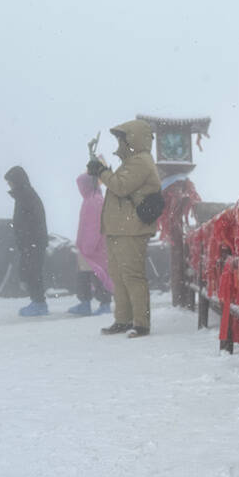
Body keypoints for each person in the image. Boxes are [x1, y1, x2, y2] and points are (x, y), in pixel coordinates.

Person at [87, 119, 160, 338]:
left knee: (132, 276)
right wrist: (103, 171)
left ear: (133, 139)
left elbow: (120, 186)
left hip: (132, 228)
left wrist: (101, 171)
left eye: (122, 138)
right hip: (120, 228)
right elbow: (120, 183)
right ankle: (123, 319)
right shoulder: (131, 162)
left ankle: (141, 323)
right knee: (119, 277)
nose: (119, 143)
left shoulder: (141, 161)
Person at [4, 165, 49, 317]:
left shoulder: (26, 195)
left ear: (17, 180)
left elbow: (31, 221)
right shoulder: (24, 194)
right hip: (31, 241)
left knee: (32, 272)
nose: (9, 185)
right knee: (30, 271)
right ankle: (37, 301)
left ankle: (39, 303)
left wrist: (27, 240)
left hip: (32, 241)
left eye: (10, 182)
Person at [68, 173, 113, 316]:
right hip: (91, 247)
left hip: (94, 248)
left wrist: (87, 246)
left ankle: (103, 304)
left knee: (98, 275)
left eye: (81, 186)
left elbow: (94, 227)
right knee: (86, 275)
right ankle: (85, 303)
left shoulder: (93, 201)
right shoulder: (92, 199)